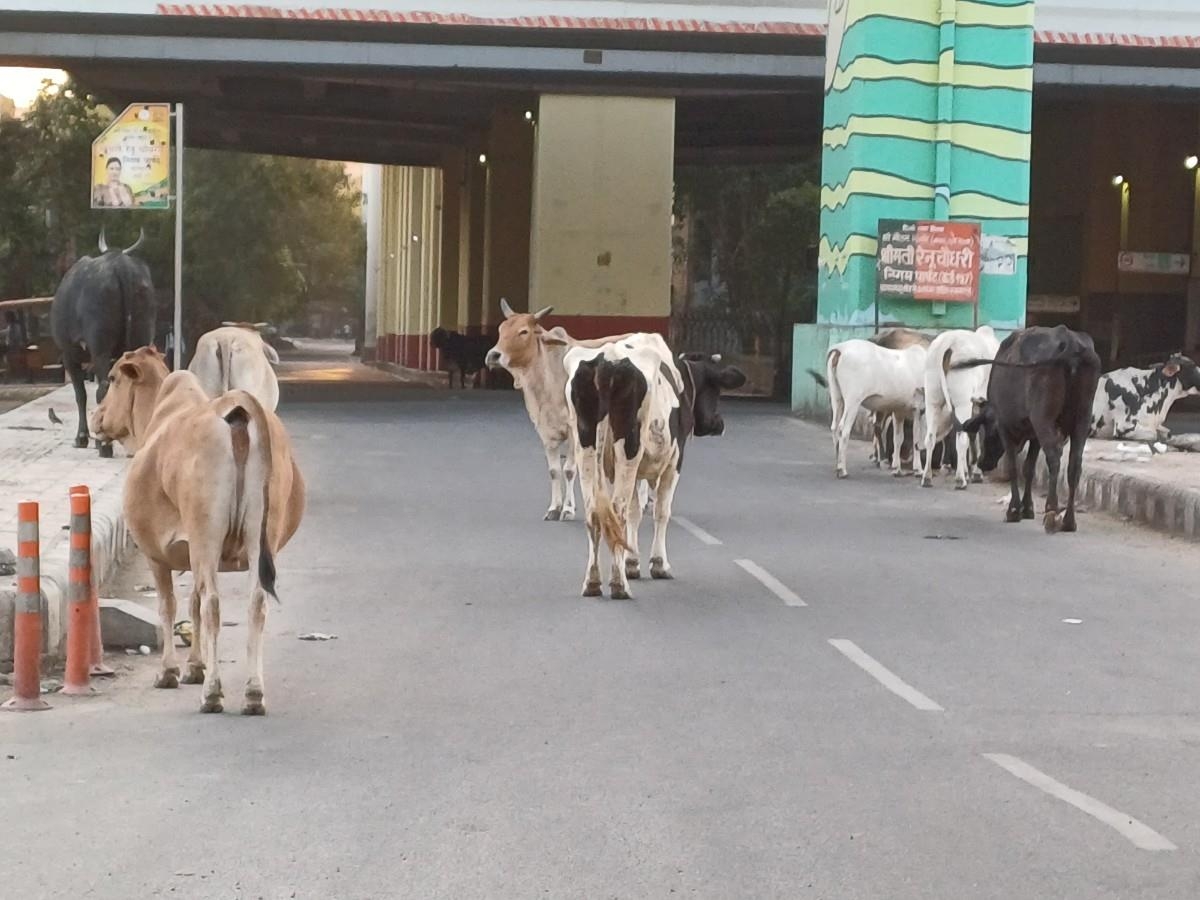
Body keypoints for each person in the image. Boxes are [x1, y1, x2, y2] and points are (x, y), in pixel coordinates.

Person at [4, 311, 29, 383]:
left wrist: (19, 347)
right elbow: (6, 332)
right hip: (10, 349)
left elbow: (17, 337)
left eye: (7, 317)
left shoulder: (16, 326)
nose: (6, 319)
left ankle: (25, 378)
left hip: (16, 348)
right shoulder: (10, 326)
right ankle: (8, 379)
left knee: (18, 363)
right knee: (9, 363)